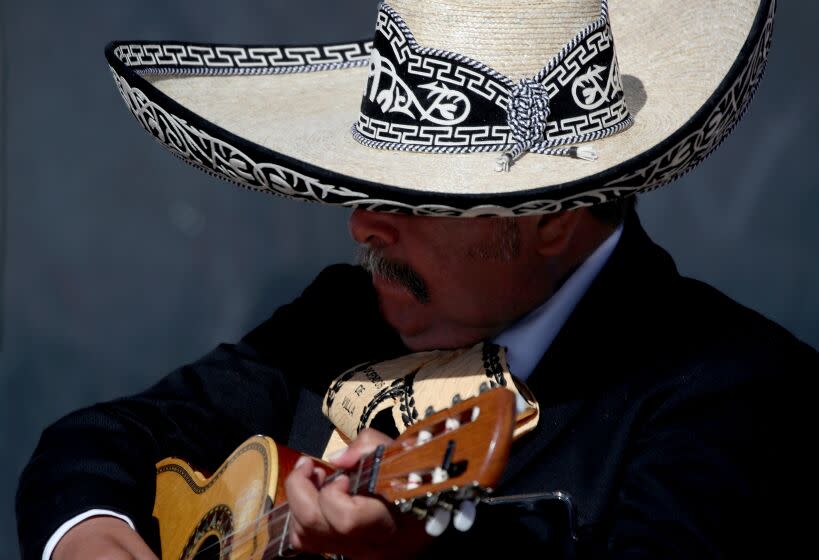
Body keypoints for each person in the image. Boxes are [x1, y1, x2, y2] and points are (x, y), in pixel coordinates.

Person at [16, 0, 816, 558]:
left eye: (410, 197)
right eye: (364, 187)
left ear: (549, 219)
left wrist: (421, 557)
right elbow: (98, 443)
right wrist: (87, 532)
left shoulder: (738, 392)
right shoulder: (336, 318)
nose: (363, 224)